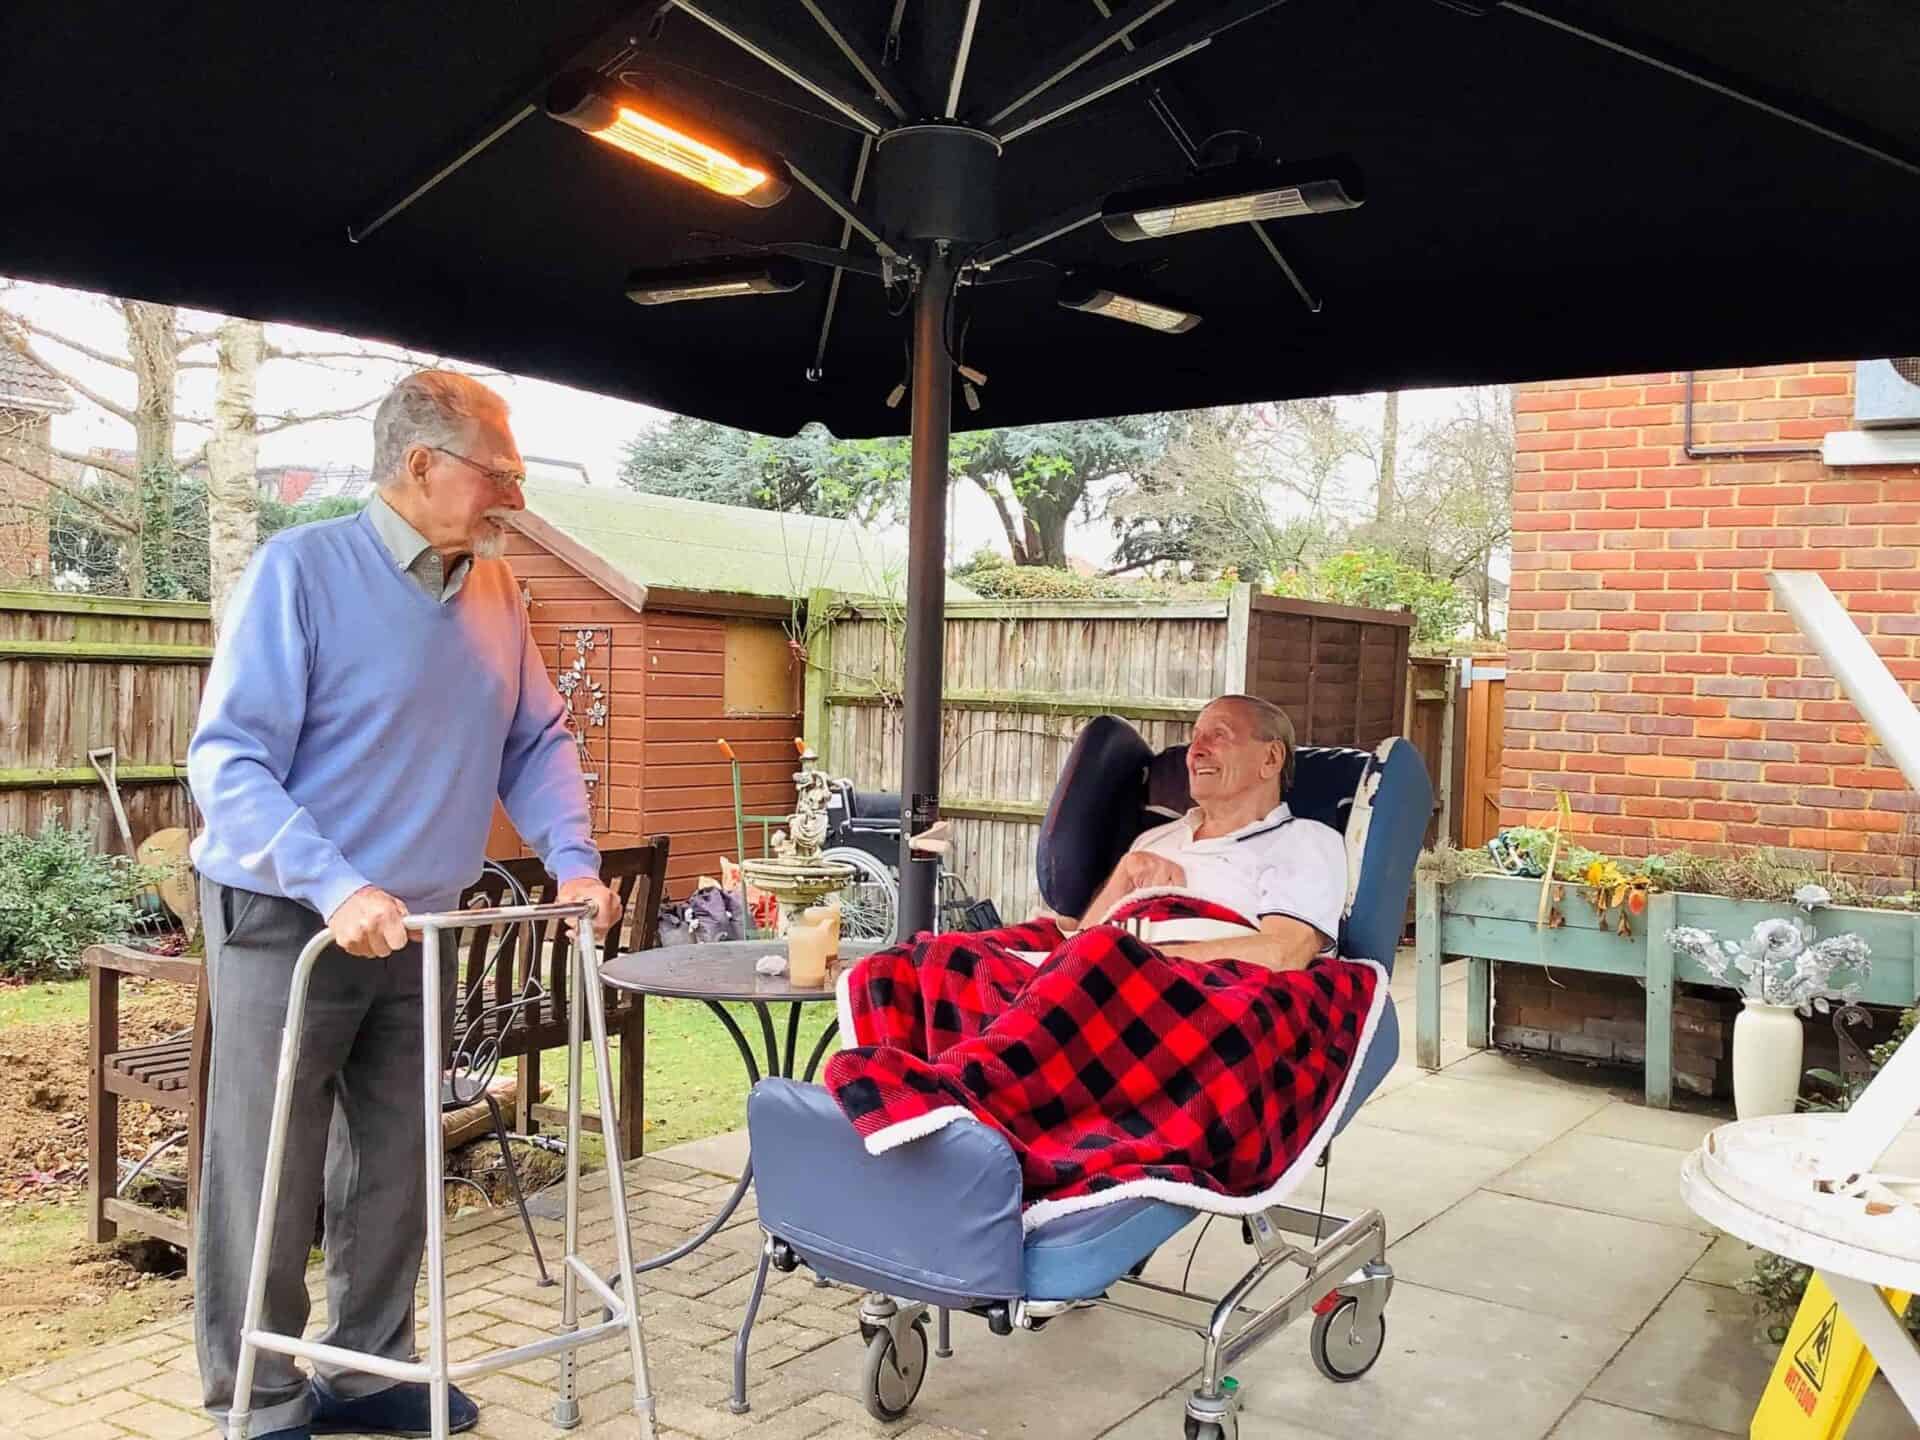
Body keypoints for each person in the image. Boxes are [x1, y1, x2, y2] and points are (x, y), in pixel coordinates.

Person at [187, 371, 620, 1440]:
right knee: (271, 1162)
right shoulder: (300, 573)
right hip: (291, 914)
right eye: (498, 474)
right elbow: (230, 761)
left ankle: (372, 1369)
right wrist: (338, 885)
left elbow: (535, 739)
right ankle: (264, 1393)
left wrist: (572, 856)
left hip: (419, 923)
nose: (512, 496)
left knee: (395, 1155)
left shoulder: (496, 592)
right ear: (420, 465)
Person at [1066, 693, 1347, 971]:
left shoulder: (1303, 841)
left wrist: (1138, 963)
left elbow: (1284, 953)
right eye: (1195, 737)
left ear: (1271, 758)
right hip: (1102, 982)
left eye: (1219, 735)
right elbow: (1074, 952)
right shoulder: (1152, 840)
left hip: (1197, 995)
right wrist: (1124, 874)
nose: (1195, 751)